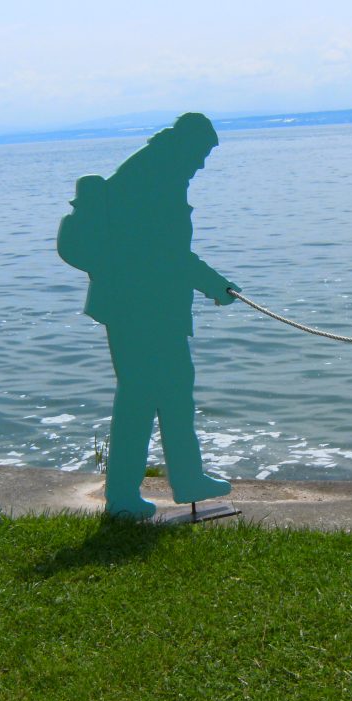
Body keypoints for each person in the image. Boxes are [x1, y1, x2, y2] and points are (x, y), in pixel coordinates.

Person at [57, 113, 238, 518]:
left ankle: (188, 478)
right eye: (203, 153)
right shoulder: (151, 181)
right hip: (139, 309)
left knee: (174, 391)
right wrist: (213, 284)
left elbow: (166, 253)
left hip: (151, 306)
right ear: (187, 145)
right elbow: (167, 254)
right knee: (139, 398)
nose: (203, 163)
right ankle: (122, 496)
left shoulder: (155, 172)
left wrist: (211, 284)